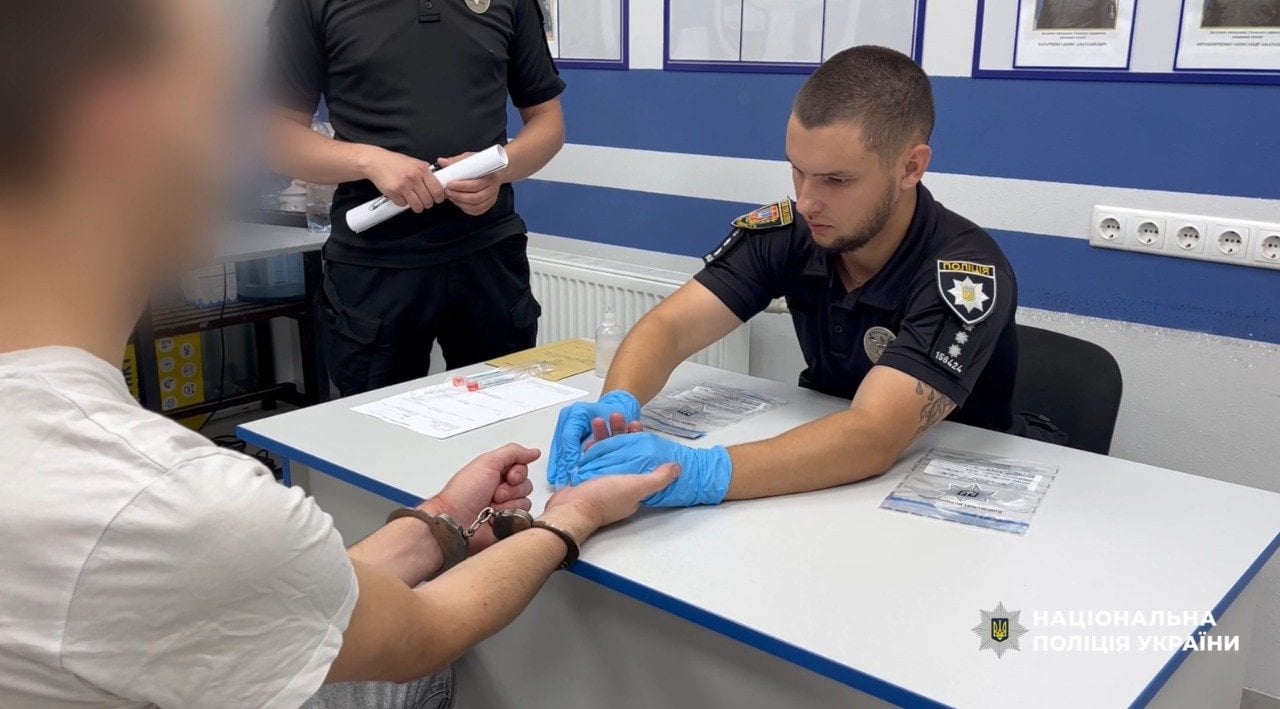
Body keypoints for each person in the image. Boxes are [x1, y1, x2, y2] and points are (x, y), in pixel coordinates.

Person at [0, 1, 676, 707]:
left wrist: (443, 514)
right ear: (116, 130)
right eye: (213, 111)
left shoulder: (149, 501)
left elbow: (291, 588)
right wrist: (575, 517)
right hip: (374, 280)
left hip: (482, 264)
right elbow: (422, 633)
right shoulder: (182, 505)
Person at [548, 46, 1020, 508]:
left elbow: (874, 435)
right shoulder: (792, 231)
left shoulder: (966, 277)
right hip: (820, 473)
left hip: (952, 488)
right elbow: (669, 328)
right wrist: (615, 406)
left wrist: (696, 471)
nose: (807, 201)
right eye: (798, 171)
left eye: (837, 180)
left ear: (910, 167)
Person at [267, 0, 567, 397]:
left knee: (502, 419)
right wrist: (369, 160)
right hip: (376, 264)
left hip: (488, 255)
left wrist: (500, 169)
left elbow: (548, 121)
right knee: (378, 427)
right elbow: (278, 138)